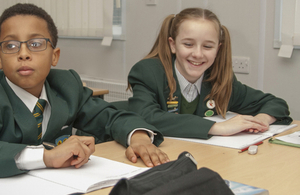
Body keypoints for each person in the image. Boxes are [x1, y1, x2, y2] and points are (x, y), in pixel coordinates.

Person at [0, 3, 169, 178]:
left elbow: (109, 117)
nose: (23, 54)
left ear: (54, 56)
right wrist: (46, 157)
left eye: (36, 44)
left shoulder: (66, 86)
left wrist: (138, 137)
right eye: (11, 46)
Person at [127, 8, 292, 139]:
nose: (198, 54)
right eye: (188, 44)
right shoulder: (148, 72)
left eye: (207, 47)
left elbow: (275, 104)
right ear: (173, 45)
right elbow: (144, 117)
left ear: (218, 49)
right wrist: (217, 127)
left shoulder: (219, 80)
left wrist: (261, 120)